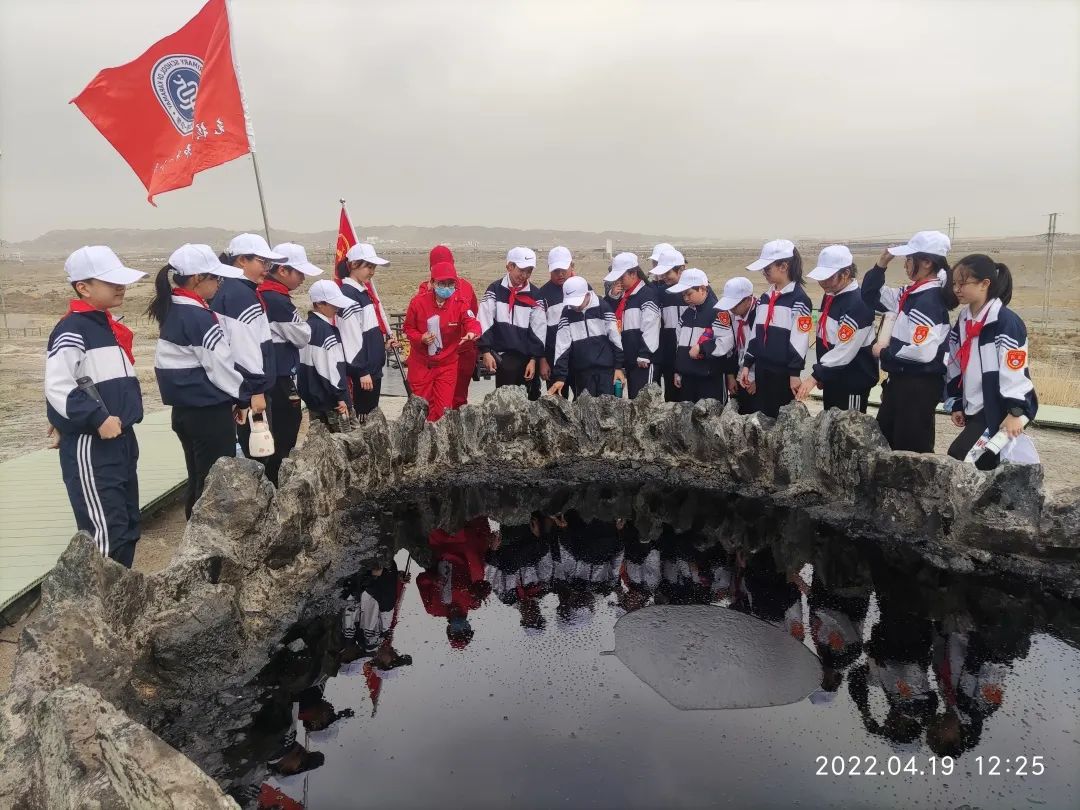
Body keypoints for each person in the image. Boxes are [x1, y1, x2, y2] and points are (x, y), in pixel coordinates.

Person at [45, 246, 146, 567]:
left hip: (121, 438)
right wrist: (96, 417)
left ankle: (122, 593)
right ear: (83, 287)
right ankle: (103, 598)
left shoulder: (105, 326)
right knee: (106, 533)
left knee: (128, 525)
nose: (121, 286)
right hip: (93, 443)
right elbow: (58, 385)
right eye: (110, 281)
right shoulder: (72, 329)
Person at [148, 244, 248, 519]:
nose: (218, 283)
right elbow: (221, 366)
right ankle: (208, 537)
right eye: (215, 278)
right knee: (214, 482)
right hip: (208, 413)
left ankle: (194, 529)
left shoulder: (174, 310)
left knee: (197, 476)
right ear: (197, 279)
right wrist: (242, 397)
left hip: (185, 411)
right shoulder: (198, 317)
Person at [861, 230, 956, 452]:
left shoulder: (928, 300)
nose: (905, 265)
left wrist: (883, 353)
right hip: (902, 381)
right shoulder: (911, 293)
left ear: (926, 262)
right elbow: (870, 295)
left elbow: (922, 352)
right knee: (887, 443)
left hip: (918, 386)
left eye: (909, 259)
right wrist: (881, 264)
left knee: (910, 450)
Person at [944, 254, 1037, 468]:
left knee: (962, 457)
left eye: (962, 283)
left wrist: (1015, 411)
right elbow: (955, 363)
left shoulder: (1005, 322)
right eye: (954, 284)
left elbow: (1014, 370)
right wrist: (956, 402)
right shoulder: (963, 320)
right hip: (974, 406)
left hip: (998, 408)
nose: (956, 289)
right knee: (983, 464)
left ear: (985, 284)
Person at [212, 233, 285, 458]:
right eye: (263, 262)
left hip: (245, 388)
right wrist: (256, 390)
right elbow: (244, 348)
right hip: (249, 390)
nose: (267, 269)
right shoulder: (240, 295)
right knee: (259, 452)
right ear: (242, 260)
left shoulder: (237, 290)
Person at [258, 243, 322, 485]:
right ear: (282, 270)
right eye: (299, 272)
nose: (303, 279)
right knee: (283, 433)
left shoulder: (269, 294)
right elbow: (302, 335)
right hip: (279, 377)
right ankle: (276, 484)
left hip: (277, 374)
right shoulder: (276, 300)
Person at [796, 245, 878, 412]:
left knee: (849, 425)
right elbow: (825, 334)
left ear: (846, 273)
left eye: (828, 277)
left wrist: (815, 376)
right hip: (832, 377)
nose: (822, 283)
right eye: (821, 278)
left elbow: (844, 350)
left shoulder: (858, 303)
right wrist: (823, 374)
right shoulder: (831, 295)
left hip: (852, 382)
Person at [737, 240, 813, 417]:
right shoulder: (765, 298)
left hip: (782, 374)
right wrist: (747, 364)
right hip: (762, 370)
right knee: (761, 417)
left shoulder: (799, 301)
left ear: (783, 266)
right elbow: (755, 335)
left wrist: (794, 373)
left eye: (767, 269)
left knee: (779, 419)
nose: (764, 273)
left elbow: (800, 340)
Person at [403, 261, 481, 421]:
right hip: (421, 364)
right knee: (420, 409)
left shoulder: (460, 304)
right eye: (442, 283)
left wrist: (472, 332)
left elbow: (472, 321)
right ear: (432, 283)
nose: (446, 288)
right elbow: (409, 328)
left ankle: (438, 435)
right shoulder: (417, 303)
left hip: (447, 365)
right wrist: (420, 338)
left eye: (450, 284)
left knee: (443, 410)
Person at [477, 247, 547, 399]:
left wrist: (533, 360)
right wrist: (486, 351)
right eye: (521, 270)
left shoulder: (535, 295)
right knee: (505, 401)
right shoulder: (494, 290)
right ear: (509, 266)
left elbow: (539, 330)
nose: (524, 275)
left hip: (527, 360)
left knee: (532, 399)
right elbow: (484, 320)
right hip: (504, 360)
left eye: (529, 271)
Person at [337, 242, 393, 420]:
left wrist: (383, 346)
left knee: (371, 415)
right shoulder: (348, 295)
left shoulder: (361, 292)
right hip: (364, 373)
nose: (372, 272)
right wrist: (361, 371)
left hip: (372, 369)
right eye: (369, 266)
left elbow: (368, 332)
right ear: (354, 265)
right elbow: (350, 337)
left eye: (374, 267)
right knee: (364, 418)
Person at [548, 276, 625, 398]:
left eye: (577, 303)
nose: (575, 307)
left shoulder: (603, 307)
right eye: (572, 303)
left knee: (608, 406)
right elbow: (562, 347)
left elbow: (615, 338)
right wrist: (560, 377)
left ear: (587, 295)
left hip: (606, 371)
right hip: (582, 373)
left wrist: (618, 367)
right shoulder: (567, 313)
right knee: (585, 408)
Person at [423, 246, 480, 409]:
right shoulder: (426, 289)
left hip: (462, 351)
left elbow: (473, 316)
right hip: (440, 354)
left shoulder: (466, 287)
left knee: (458, 398)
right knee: (439, 398)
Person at [298, 279, 355, 430]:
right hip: (333, 402)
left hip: (314, 399)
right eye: (333, 304)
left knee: (320, 438)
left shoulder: (307, 327)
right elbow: (329, 368)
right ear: (319, 304)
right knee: (346, 439)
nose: (337, 308)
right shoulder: (325, 331)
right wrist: (341, 396)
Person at [603, 252, 660, 398]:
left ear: (633, 273)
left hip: (643, 360)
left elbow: (651, 325)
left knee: (644, 402)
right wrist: (612, 297)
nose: (619, 281)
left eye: (621, 277)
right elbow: (607, 316)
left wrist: (645, 353)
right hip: (628, 359)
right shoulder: (622, 295)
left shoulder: (646, 294)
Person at [668, 268, 725, 403]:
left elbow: (726, 342)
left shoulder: (718, 312)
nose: (686, 298)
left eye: (689, 294)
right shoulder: (686, 314)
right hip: (687, 378)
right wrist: (678, 370)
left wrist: (702, 348)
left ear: (702, 289)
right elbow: (679, 345)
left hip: (709, 379)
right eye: (683, 295)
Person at [709, 276, 757, 412]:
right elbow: (731, 348)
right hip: (739, 373)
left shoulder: (761, 315)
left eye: (734, 305)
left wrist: (759, 379)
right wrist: (730, 376)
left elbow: (765, 349)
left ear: (748, 300)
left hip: (758, 375)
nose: (731, 309)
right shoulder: (730, 315)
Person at [538, 246, 579, 397]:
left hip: (579, 357)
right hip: (553, 359)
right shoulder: (542, 295)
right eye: (556, 271)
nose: (560, 274)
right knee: (556, 402)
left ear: (571, 266)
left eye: (563, 269)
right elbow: (539, 331)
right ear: (549, 269)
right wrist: (542, 360)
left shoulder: (582, 288)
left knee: (582, 400)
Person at [648, 247, 687, 401]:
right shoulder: (660, 292)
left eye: (667, 273)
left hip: (692, 357)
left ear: (681, 269)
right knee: (672, 399)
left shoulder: (699, 291)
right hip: (669, 357)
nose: (664, 277)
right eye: (662, 273)